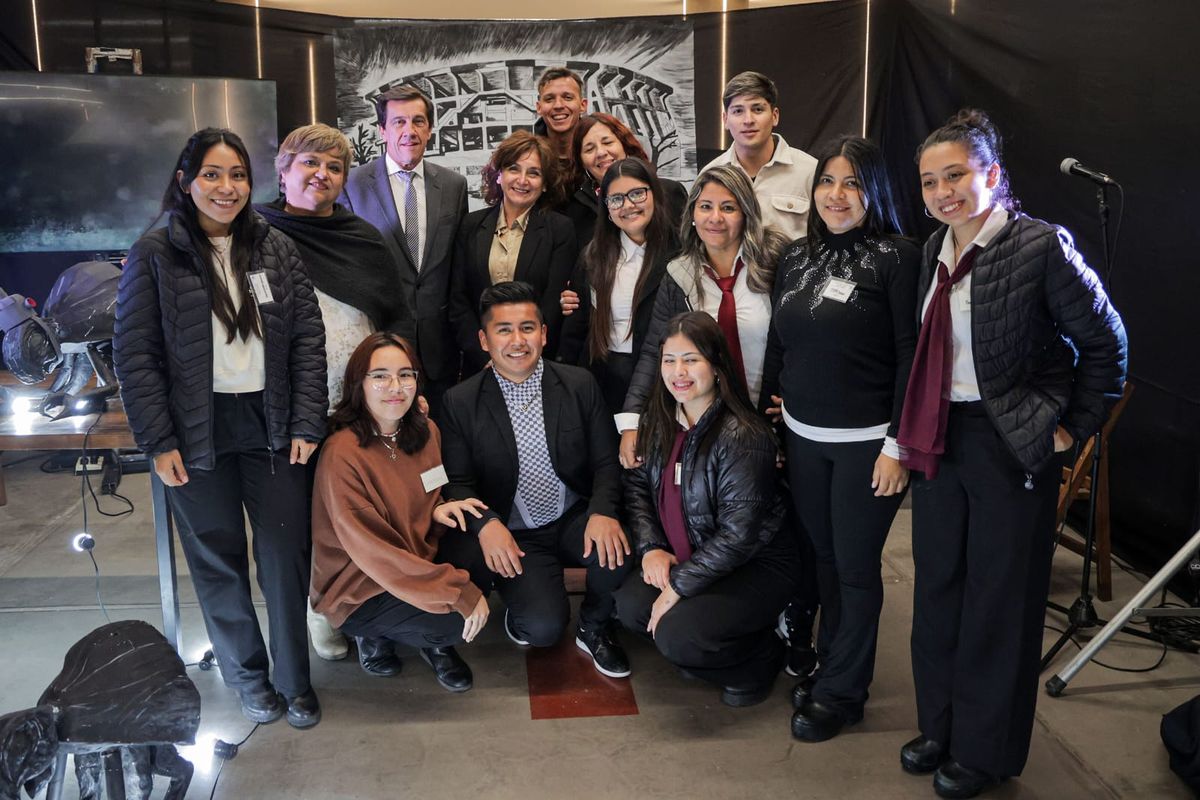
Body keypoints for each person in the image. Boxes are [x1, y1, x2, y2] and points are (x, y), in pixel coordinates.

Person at [899, 109, 1126, 798]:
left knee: (999, 600)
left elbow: (1106, 346)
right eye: (931, 181)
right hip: (942, 439)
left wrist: (1067, 430)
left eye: (957, 176)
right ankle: (939, 724)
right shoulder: (934, 252)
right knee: (938, 590)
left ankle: (985, 749)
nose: (944, 192)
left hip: (1009, 444)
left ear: (991, 174)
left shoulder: (1040, 246)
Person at [114, 128, 327, 729]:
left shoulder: (274, 247)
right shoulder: (155, 251)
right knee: (218, 560)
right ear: (186, 181)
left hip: (273, 424)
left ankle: (294, 679)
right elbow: (135, 354)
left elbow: (308, 338)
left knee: (285, 553)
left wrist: (307, 419)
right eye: (212, 174)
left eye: (237, 175)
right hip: (195, 430)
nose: (226, 187)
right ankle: (249, 678)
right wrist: (158, 442)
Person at [759, 135, 919, 742]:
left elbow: (911, 357)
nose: (836, 194)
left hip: (868, 444)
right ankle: (832, 669)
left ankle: (844, 694)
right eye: (827, 181)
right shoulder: (797, 257)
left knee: (854, 570)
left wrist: (898, 445)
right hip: (802, 437)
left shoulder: (899, 257)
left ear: (873, 189)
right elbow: (781, 344)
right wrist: (772, 413)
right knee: (822, 561)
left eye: (851, 182)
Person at [258, 123, 413, 664]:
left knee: (365, 512)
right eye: (309, 164)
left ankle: (367, 610)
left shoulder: (361, 238)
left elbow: (394, 316)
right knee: (301, 517)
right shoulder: (256, 234)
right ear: (284, 170)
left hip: (360, 405)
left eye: (334, 167)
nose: (321, 175)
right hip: (288, 403)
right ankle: (317, 611)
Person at [439, 281, 633, 678]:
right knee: (542, 629)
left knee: (619, 553)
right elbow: (457, 483)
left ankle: (593, 626)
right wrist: (486, 524)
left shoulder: (578, 384)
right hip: (515, 532)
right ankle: (525, 607)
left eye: (528, 328)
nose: (517, 340)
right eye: (504, 330)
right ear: (484, 339)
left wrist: (602, 511)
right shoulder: (460, 402)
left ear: (544, 334)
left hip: (572, 515)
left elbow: (605, 462)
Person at [614, 312, 800, 707]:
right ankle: (705, 641)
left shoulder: (743, 435)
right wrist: (651, 549)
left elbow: (738, 537)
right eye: (669, 360)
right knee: (631, 608)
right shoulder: (659, 420)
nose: (678, 372)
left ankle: (761, 657)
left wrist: (679, 587)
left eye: (691, 359)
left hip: (755, 564)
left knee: (677, 637)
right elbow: (637, 489)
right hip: (695, 555)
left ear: (716, 367)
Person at [310, 332, 492, 693]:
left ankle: (429, 641)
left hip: (412, 559)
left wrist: (440, 509)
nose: (395, 386)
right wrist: (457, 592)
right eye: (380, 376)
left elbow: (430, 487)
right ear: (358, 384)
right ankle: (376, 635)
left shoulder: (425, 432)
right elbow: (373, 552)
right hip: (361, 582)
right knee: (453, 619)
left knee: (480, 544)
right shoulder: (342, 452)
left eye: (405, 375)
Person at [616, 164, 790, 463]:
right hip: (710, 425)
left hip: (774, 417)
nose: (715, 218)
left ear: (746, 213)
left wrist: (795, 395)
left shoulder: (776, 263)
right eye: (705, 206)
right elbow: (653, 351)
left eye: (728, 207)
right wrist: (631, 420)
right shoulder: (679, 274)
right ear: (692, 215)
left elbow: (799, 341)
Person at [340, 84, 469, 417]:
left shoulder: (454, 186)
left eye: (418, 121)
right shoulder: (352, 185)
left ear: (429, 128)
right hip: (380, 349)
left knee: (440, 449)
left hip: (441, 350)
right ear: (382, 130)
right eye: (398, 122)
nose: (409, 131)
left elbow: (457, 265)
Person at [558, 158, 679, 418]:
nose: (628, 205)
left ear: (654, 194)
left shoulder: (679, 254)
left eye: (636, 193)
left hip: (665, 383)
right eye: (617, 199)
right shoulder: (593, 257)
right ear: (607, 208)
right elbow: (576, 330)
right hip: (605, 379)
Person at [449, 131, 577, 373]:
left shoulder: (560, 229)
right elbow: (459, 300)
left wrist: (523, 356)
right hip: (482, 364)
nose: (522, 180)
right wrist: (484, 355)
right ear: (499, 175)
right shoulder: (470, 226)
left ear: (546, 183)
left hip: (537, 363)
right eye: (514, 169)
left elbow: (552, 304)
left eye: (534, 173)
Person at [700, 71, 818, 243]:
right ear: (725, 119)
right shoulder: (710, 174)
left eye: (757, 109)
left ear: (775, 115)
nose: (748, 120)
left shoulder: (809, 171)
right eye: (738, 111)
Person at [562, 113, 688, 248]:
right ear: (582, 162)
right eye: (589, 149)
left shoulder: (669, 191)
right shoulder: (575, 212)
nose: (601, 152)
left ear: (624, 145)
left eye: (607, 142)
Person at [533, 66, 588, 170]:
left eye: (568, 98)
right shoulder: (526, 157)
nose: (558, 105)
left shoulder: (600, 155)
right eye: (549, 99)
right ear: (539, 107)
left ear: (583, 105)